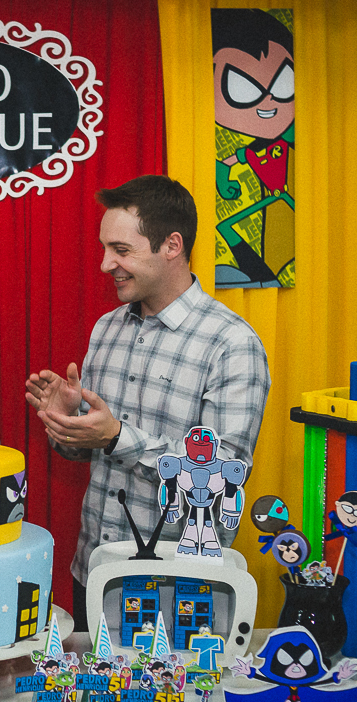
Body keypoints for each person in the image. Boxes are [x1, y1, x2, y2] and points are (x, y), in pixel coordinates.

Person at [24, 175, 269, 630]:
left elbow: (221, 481)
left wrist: (116, 436)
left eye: (121, 250)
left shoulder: (231, 344)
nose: (105, 264)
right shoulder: (107, 328)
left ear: (172, 245)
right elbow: (93, 449)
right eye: (104, 248)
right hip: (95, 573)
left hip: (178, 587)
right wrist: (69, 422)